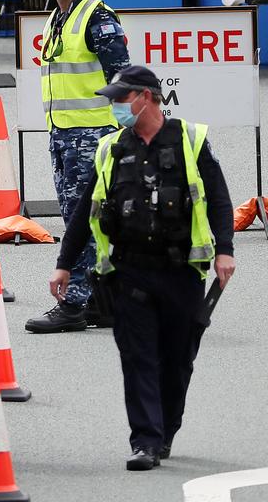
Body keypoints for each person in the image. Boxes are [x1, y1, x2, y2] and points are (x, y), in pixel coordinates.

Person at [48, 65, 235, 470]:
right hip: (128, 271)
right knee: (138, 358)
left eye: (120, 98)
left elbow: (218, 198)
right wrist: (64, 264)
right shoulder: (110, 148)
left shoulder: (190, 140)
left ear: (145, 97)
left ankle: (166, 427)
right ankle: (145, 442)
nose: (115, 106)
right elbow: (86, 211)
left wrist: (225, 250)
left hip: (182, 271)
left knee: (177, 357)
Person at [25, 0, 130, 333]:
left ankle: (73, 303)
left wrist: (121, 135)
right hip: (66, 135)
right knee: (85, 219)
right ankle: (101, 302)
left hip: (93, 136)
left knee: (81, 222)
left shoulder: (95, 17)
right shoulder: (58, 15)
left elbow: (122, 78)